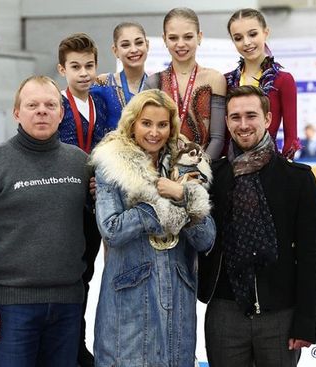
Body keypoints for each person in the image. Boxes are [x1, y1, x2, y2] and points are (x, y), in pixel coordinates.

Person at [0, 76, 90, 367]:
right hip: (11, 307)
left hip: (68, 305)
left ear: (61, 112)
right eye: (32, 105)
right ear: (17, 112)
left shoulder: (81, 163)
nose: (42, 110)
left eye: (50, 104)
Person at [198, 86, 316, 367]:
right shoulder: (213, 177)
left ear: (267, 119)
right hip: (224, 311)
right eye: (235, 117)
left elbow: (310, 257)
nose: (243, 125)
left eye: (251, 116)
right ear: (227, 122)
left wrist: (306, 321)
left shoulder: (297, 180)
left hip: (280, 314)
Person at [90, 89, 216, 366]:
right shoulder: (112, 165)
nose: (154, 132)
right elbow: (111, 229)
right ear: (132, 123)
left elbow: (206, 238)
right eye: (146, 123)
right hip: (129, 295)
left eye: (162, 124)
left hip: (177, 294)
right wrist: (158, 207)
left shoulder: (188, 165)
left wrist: (184, 196)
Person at [56, 32, 111, 366]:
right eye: (75, 66)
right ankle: (68, 347)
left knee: (85, 277)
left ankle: (78, 344)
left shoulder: (101, 102)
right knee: (66, 278)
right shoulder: (55, 102)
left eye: (89, 66)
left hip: (92, 205)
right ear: (62, 69)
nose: (84, 73)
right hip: (61, 205)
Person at [144, 7, 227, 160]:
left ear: (199, 37)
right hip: (162, 169)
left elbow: (217, 138)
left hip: (203, 171)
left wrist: (199, 170)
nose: (180, 44)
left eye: (188, 37)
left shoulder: (215, 79)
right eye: (173, 38)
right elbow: (147, 134)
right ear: (164, 40)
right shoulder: (154, 83)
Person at [225, 8, 300, 159]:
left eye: (253, 34)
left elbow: (291, 137)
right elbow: (224, 135)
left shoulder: (283, 80)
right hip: (233, 166)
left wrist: (284, 168)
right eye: (238, 38)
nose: (247, 42)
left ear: (266, 32)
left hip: (270, 165)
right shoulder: (226, 81)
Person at [92, 22, 149, 128]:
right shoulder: (103, 82)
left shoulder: (156, 84)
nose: (134, 50)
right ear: (115, 51)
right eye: (125, 45)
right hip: (111, 144)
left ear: (147, 45)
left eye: (139, 43)